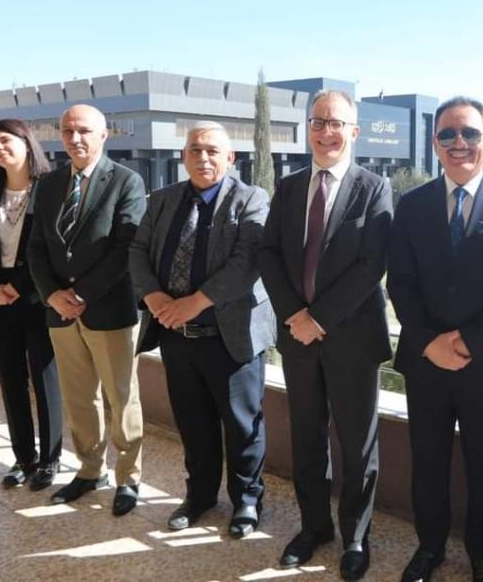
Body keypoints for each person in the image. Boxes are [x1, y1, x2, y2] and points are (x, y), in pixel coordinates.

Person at [388, 96, 483, 582]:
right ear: (435, 144)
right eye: (447, 134)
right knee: (428, 461)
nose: (459, 143)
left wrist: (470, 341)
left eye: (470, 133)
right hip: (426, 362)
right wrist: (429, 342)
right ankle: (429, 548)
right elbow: (400, 282)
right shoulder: (411, 205)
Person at [258, 90, 393, 580]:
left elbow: (371, 264)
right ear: (308, 129)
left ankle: (356, 536)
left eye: (336, 123)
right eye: (318, 122)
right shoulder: (290, 186)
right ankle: (314, 527)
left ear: (353, 131)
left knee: (357, 444)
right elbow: (269, 253)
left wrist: (319, 318)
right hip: (298, 339)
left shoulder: (374, 188)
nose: (326, 131)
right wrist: (295, 315)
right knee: (307, 438)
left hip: (351, 338)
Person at [130, 121, 274, 538]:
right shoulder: (162, 200)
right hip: (176, 337)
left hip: (230, 337)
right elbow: (138, 251)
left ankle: (247, 500)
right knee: (193, 423)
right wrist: (155, 298)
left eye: (213, 151)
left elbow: (247, 261)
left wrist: (193, 303)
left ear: (230, 158)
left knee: (243, 426)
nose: (203, 157)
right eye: (195, 150)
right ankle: (200, 496)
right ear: (183, 156)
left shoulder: (251, 198)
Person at [27, 103, 147, 516]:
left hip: (108, 308)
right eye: (67, 131)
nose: (75, 138)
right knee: (79, 397)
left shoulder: (126, 181)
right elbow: (36, 247)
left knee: (121, 398)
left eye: (83, 131)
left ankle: (128, 477)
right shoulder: (48, 184)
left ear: (103, 135)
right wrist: (52, 295)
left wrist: (81, 295)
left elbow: (125, 248)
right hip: (59, 311)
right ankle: (90, 470)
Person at [0, 119, 63, 491]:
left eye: (5, 140)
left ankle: (51, 459)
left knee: (45, 382)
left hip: (38, 297)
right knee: (11, 383)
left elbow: (52, 248)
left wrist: (19, 286)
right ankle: (24, 458)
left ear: (26, 142)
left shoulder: (50, 187)